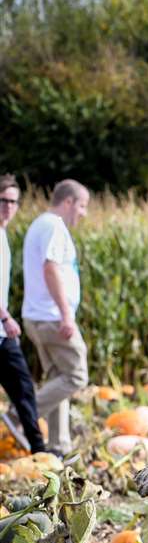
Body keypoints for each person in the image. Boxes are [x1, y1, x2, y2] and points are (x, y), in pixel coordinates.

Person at [22, 179, 91, 451]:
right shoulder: (54, 226)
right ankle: (21, 416)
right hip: (51, 318)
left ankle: (58, 447)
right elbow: (50, 269)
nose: (83, 213)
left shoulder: (40, 223)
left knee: (58, 379)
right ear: (68, 202)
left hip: (38, 316)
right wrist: (66, 315)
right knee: (76, 376)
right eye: (82, 205)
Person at [0, 177, 44, 454]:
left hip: (2, 334)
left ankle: (40, 452)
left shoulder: (4, 235)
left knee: (23, 388)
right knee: (22, 388)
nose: (8, 206)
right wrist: (5, 316)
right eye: (3, 200)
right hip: (2, 325)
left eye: (13, 201)